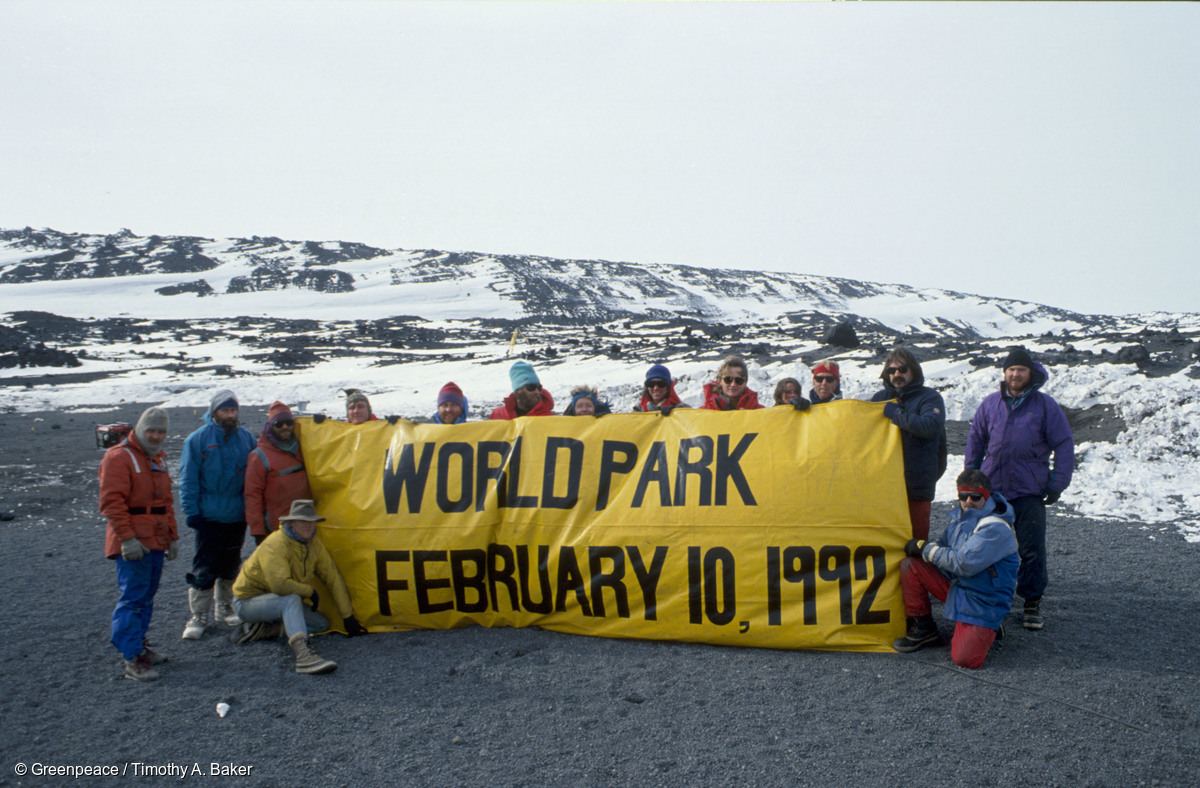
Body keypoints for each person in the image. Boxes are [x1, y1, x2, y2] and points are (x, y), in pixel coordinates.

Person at [964, 347, 1075, 631]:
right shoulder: (990, 404)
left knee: (1032, 549)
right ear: (1005, 373)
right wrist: (970, 480)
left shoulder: (1045, 405)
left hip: (1029, 490)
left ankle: (1031, 602)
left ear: (1030, 373)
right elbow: (976, 441)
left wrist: (1057, 482)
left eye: (1020, 370)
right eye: (1011, 369)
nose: (1015, 374)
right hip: (993, 489)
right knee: (986, 546)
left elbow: (1063, 444)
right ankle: (989, 599)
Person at [893, 469, 1018, 669]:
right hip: (962, 585)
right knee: (912, 565)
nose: (968, 501)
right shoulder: (961, 519)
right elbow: (943, 549)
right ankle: (923, 628)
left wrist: (925, 548)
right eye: (963, 496)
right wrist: (925, 550)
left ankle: (991, 624)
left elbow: (962, 563)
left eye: (975, 497)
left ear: (986, 496)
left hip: (984, 598)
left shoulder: (995, 528)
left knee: (966, 660)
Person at [230, 499, 367, 674]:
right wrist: (309, 591)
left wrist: (348, 617)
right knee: (291, 599)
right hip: (247, 602)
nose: (308, 526)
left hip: (276, 601)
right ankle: (303, 656)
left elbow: (332, 577)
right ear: (291, 522)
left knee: (321, 624)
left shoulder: (313, 544)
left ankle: (260, 629)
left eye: (311, 521)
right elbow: (280, 586)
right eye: (303, 521)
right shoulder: (275, 544)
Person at [99, 406, 179, 681]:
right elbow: (112, 503)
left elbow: (165, 502)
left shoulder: (157, 458)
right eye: (152, 430)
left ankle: (138, 647)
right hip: (133, 540)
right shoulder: (118, 457)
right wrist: (127, 539)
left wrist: (172, 537)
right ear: (140, 428)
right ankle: (131, 657)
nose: (156, 436)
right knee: (133, 598)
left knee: (146, 596)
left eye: (161, 432)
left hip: (154, 538)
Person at [179, 389, 256, 639]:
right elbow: (188, 479)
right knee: (204, 566)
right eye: (225, 410)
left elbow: (255, 476)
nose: (230, 414)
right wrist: (191, 512)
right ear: (214, 412)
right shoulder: (197, 440)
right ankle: (198, 615)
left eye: (233, 410)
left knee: (231, 564)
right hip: (209, 515)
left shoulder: (246, 439)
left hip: (237, 515)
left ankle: (224, 607)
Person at [870, 347, 947, 541]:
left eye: (902, 369)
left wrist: (897, 415)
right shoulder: (879, 399)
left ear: (913, 370)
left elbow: (931, 426)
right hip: (883, 488)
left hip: (917, 488)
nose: (897, 374)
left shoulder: (929, 398)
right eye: (892, 370)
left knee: (916, 544)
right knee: (883, 544)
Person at [244, 401, 311, 547]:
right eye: (279, 423)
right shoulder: (259, 455)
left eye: (288, 423)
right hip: (277, 529)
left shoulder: (304, 448)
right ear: (271, 426)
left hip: (306, 525)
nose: (285, 427)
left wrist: (320, 424)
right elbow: (252, 494)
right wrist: (257, 530)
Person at [701, 355, 771, 411]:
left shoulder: (759, 413)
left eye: (739, 380)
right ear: (720, 381)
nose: (733, 384)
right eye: (728, 379)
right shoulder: (704, 413)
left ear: (745, 382)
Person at [490, 360, 555, 419]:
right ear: (518, 391)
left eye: (539, 387)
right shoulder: (498, 414)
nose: (537, 392)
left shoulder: (550, 419)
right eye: (531, 387)